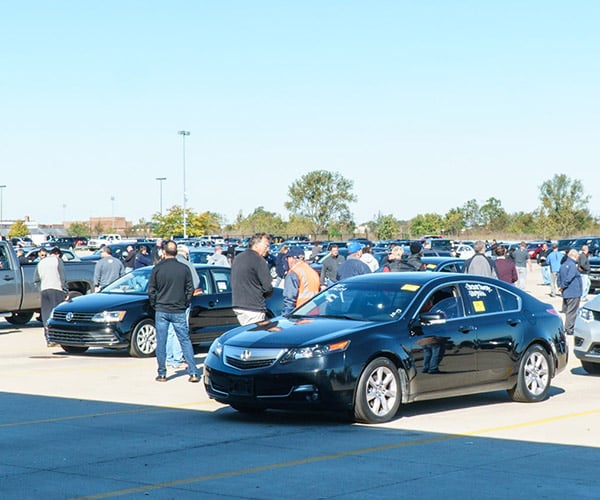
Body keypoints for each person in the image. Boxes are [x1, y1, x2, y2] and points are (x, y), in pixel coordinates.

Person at [148, 240, 199, 382]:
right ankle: (193, 372)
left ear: (164, 252)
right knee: (184, 340)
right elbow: (190, 289)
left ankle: (162, 373)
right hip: (179, 309)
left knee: (162, 341)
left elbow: (151, 290)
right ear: (176, 252)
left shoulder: (157, 268)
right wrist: (185, 302)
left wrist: (155, 304)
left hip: (162, 309)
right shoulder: (184, 268)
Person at [166, 245, 201, 369]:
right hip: (181, 302)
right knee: (180, 330)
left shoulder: (165, 264)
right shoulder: (186, 265)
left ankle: (169, 358)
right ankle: (177, 359)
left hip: (166, 302)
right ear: (186, 254)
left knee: (170, 330)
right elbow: (196, 282)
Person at [231, 232, 273, 326]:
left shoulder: (238, 258)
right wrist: (265, 295)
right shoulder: (259, 260)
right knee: (256, 337)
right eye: (266, 246)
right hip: (254, 307)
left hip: (238, 305)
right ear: (256, 245)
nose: (268, 249)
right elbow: (268, 287)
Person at [33, 247, 67, 347]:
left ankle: (48, 338)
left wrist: (41, 289)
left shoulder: (41, 263)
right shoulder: (58, 261)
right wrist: (65, 290)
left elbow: (36, 280)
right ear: (58, 254)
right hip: (56, 289)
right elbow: (62, 277)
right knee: (57, 314)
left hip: (44, 290)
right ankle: (59, 338)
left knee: (46, 315)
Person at [283, 246, 320, 314]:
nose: (287, 261)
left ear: (292, 258)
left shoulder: (294, 273)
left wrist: (287, 314)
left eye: (287, 258)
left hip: (300, 312)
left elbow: (290, 297)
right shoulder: (313, 272)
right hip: (314, 311)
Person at [558, 248, 582, 336]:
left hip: (566, 292)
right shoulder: (572, 265)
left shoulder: (563, 264)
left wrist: (560, 286)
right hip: (573, 292)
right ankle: (569, 329)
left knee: (568, 311)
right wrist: (563, 286)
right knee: (572, 312)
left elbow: (559, 277)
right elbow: (570, 277)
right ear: (574, 256)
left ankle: (568, 327)